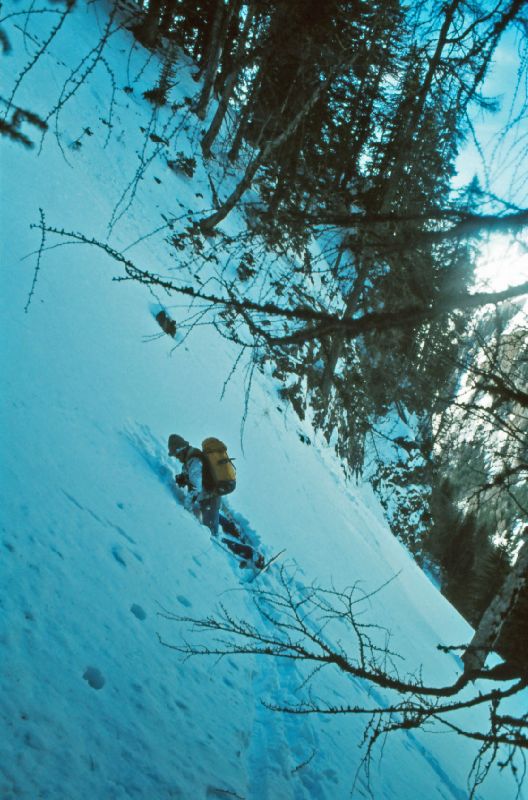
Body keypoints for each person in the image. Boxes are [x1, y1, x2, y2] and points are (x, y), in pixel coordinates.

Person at [168, 434, 222, 535]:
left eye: (177, 455)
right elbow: (196, 475)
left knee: (211, 535)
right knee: (214, 516)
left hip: (210, 499)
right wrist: (183, 478)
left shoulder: (194, 460)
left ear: (182, 450)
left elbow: (196, 488)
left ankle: (244, 550)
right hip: (208, 498)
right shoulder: (191, 456)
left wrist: (187, 508)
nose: (177, 458)